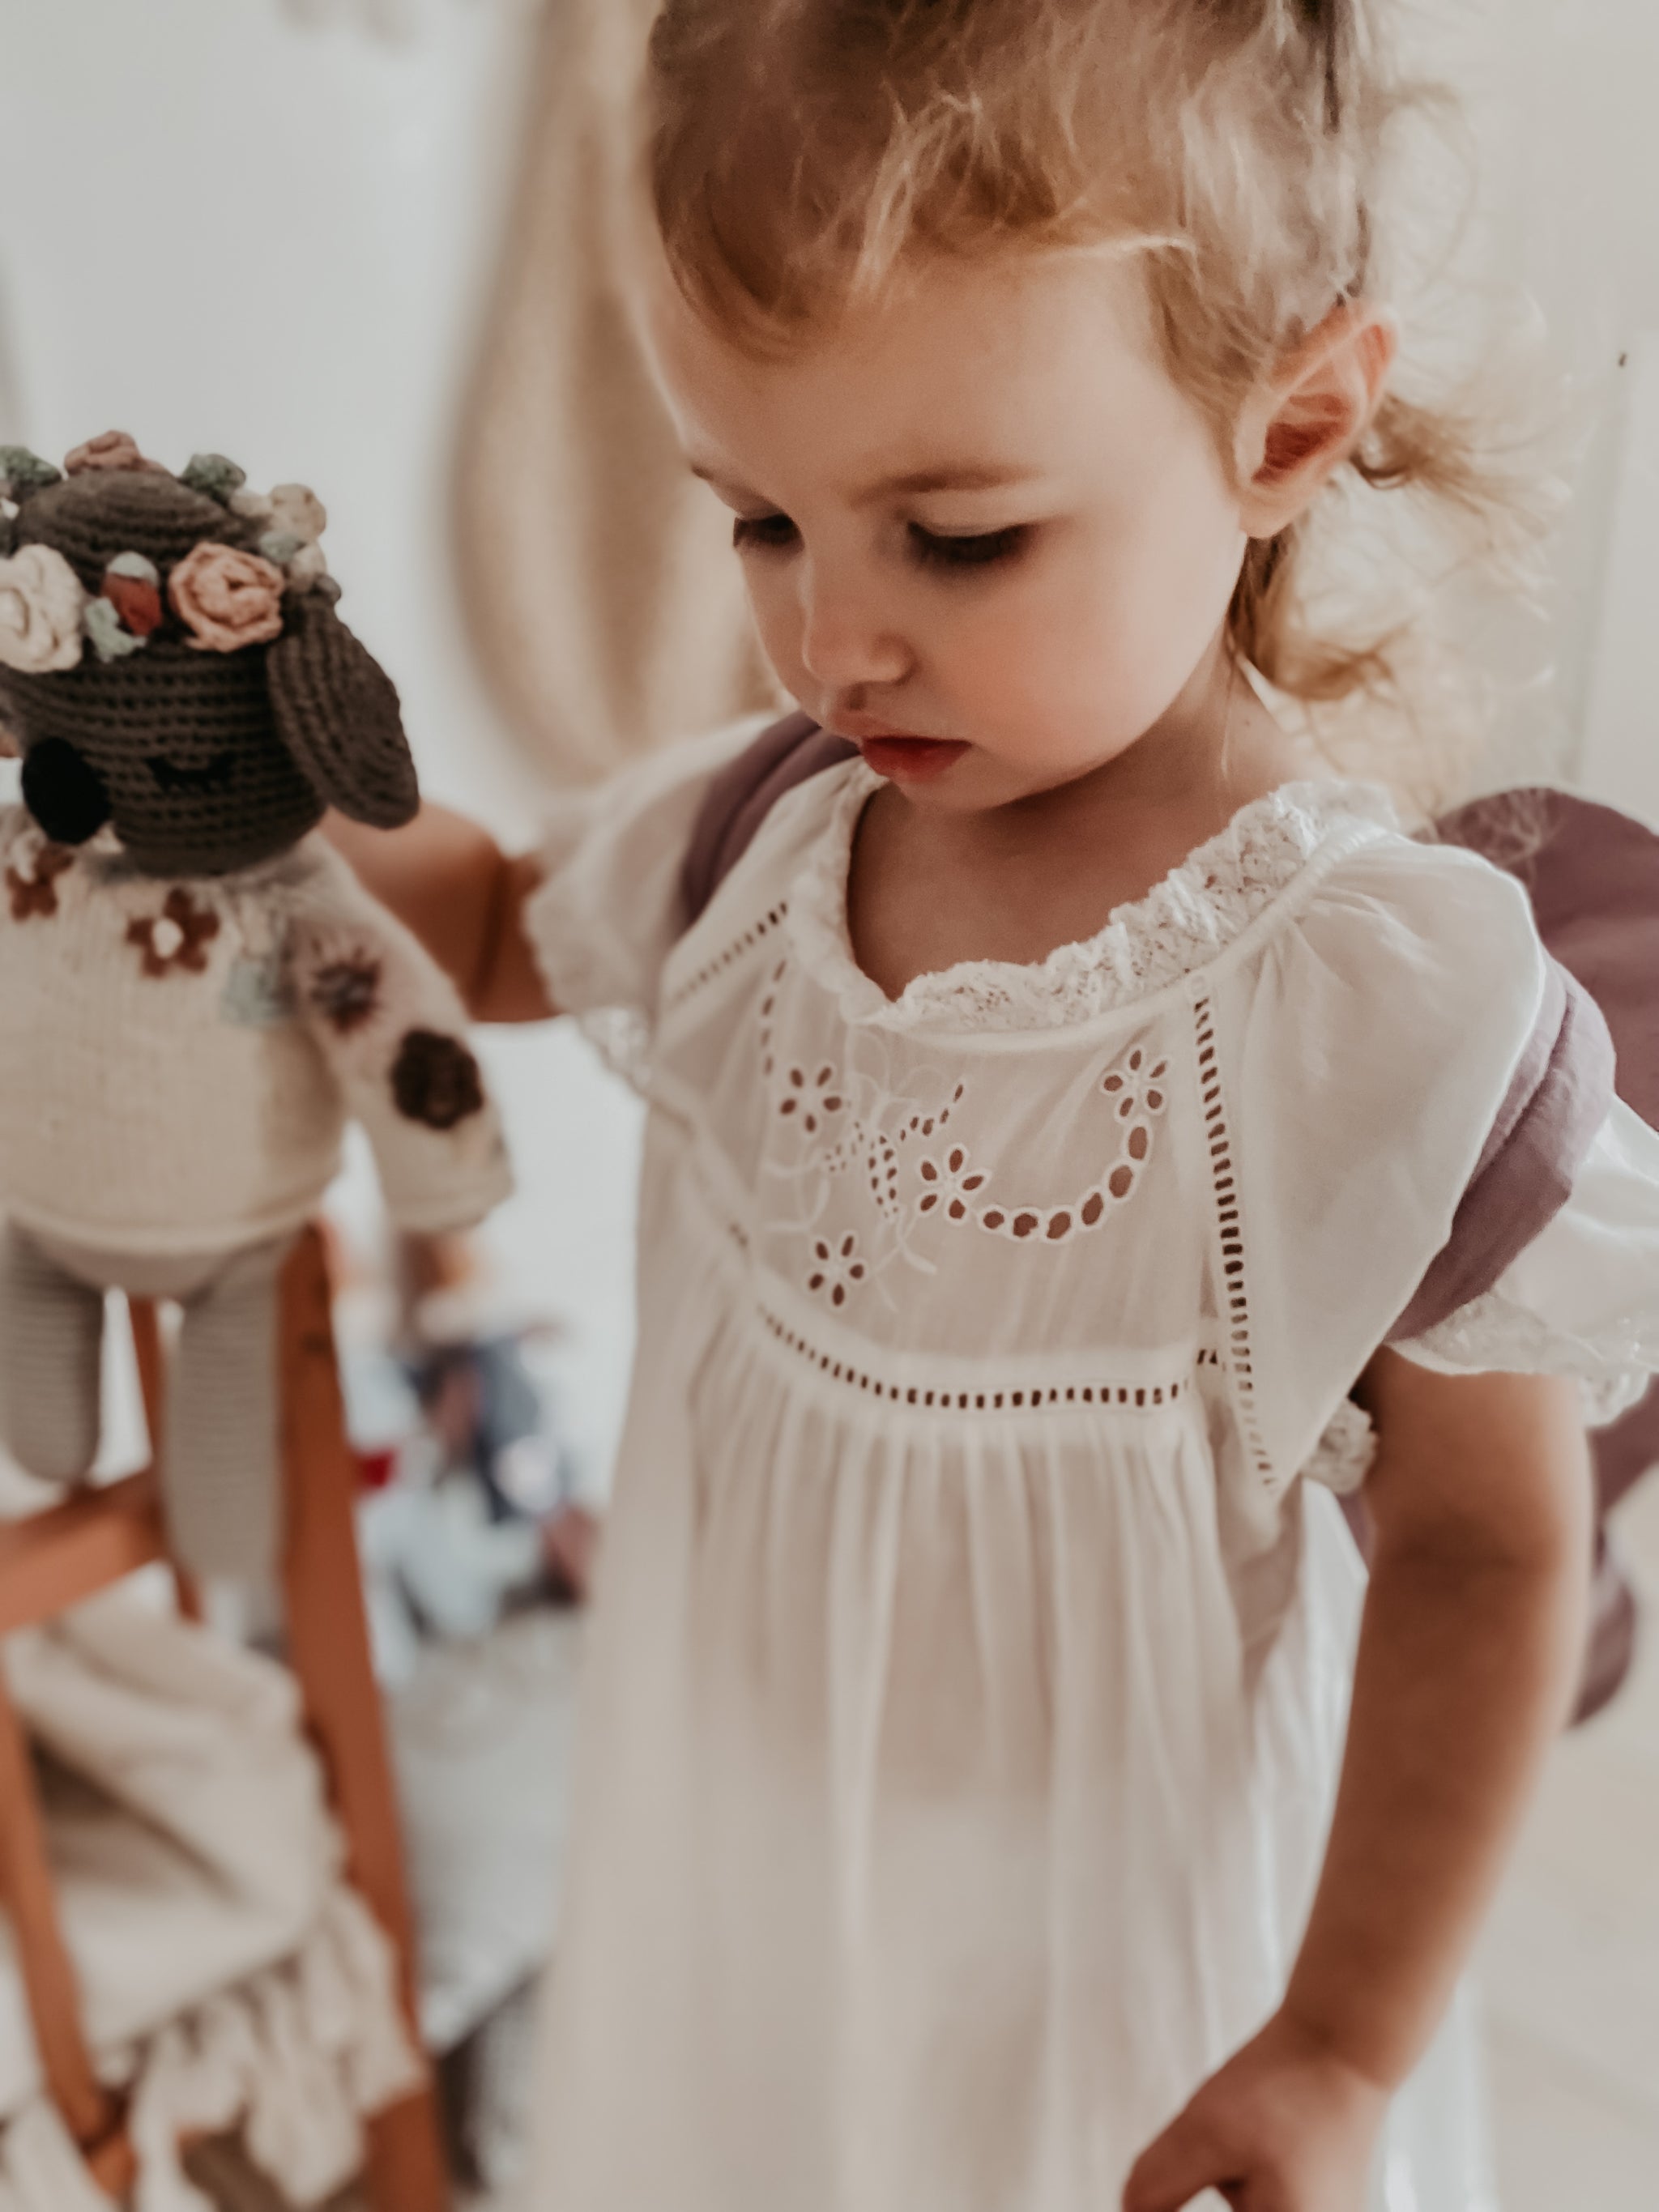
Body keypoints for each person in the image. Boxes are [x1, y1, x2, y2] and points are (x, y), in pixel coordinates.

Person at [327, 2, 1659, 2204]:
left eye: (952, 541)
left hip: (1119, 2003)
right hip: (749, 1913)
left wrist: (1334, 2045)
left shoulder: (1359, 998)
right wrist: (257, 758)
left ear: (1288, 425)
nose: (829, 643)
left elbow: (1489, 1542)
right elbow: (477, 921)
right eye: (758, 518)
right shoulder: (762, 843)